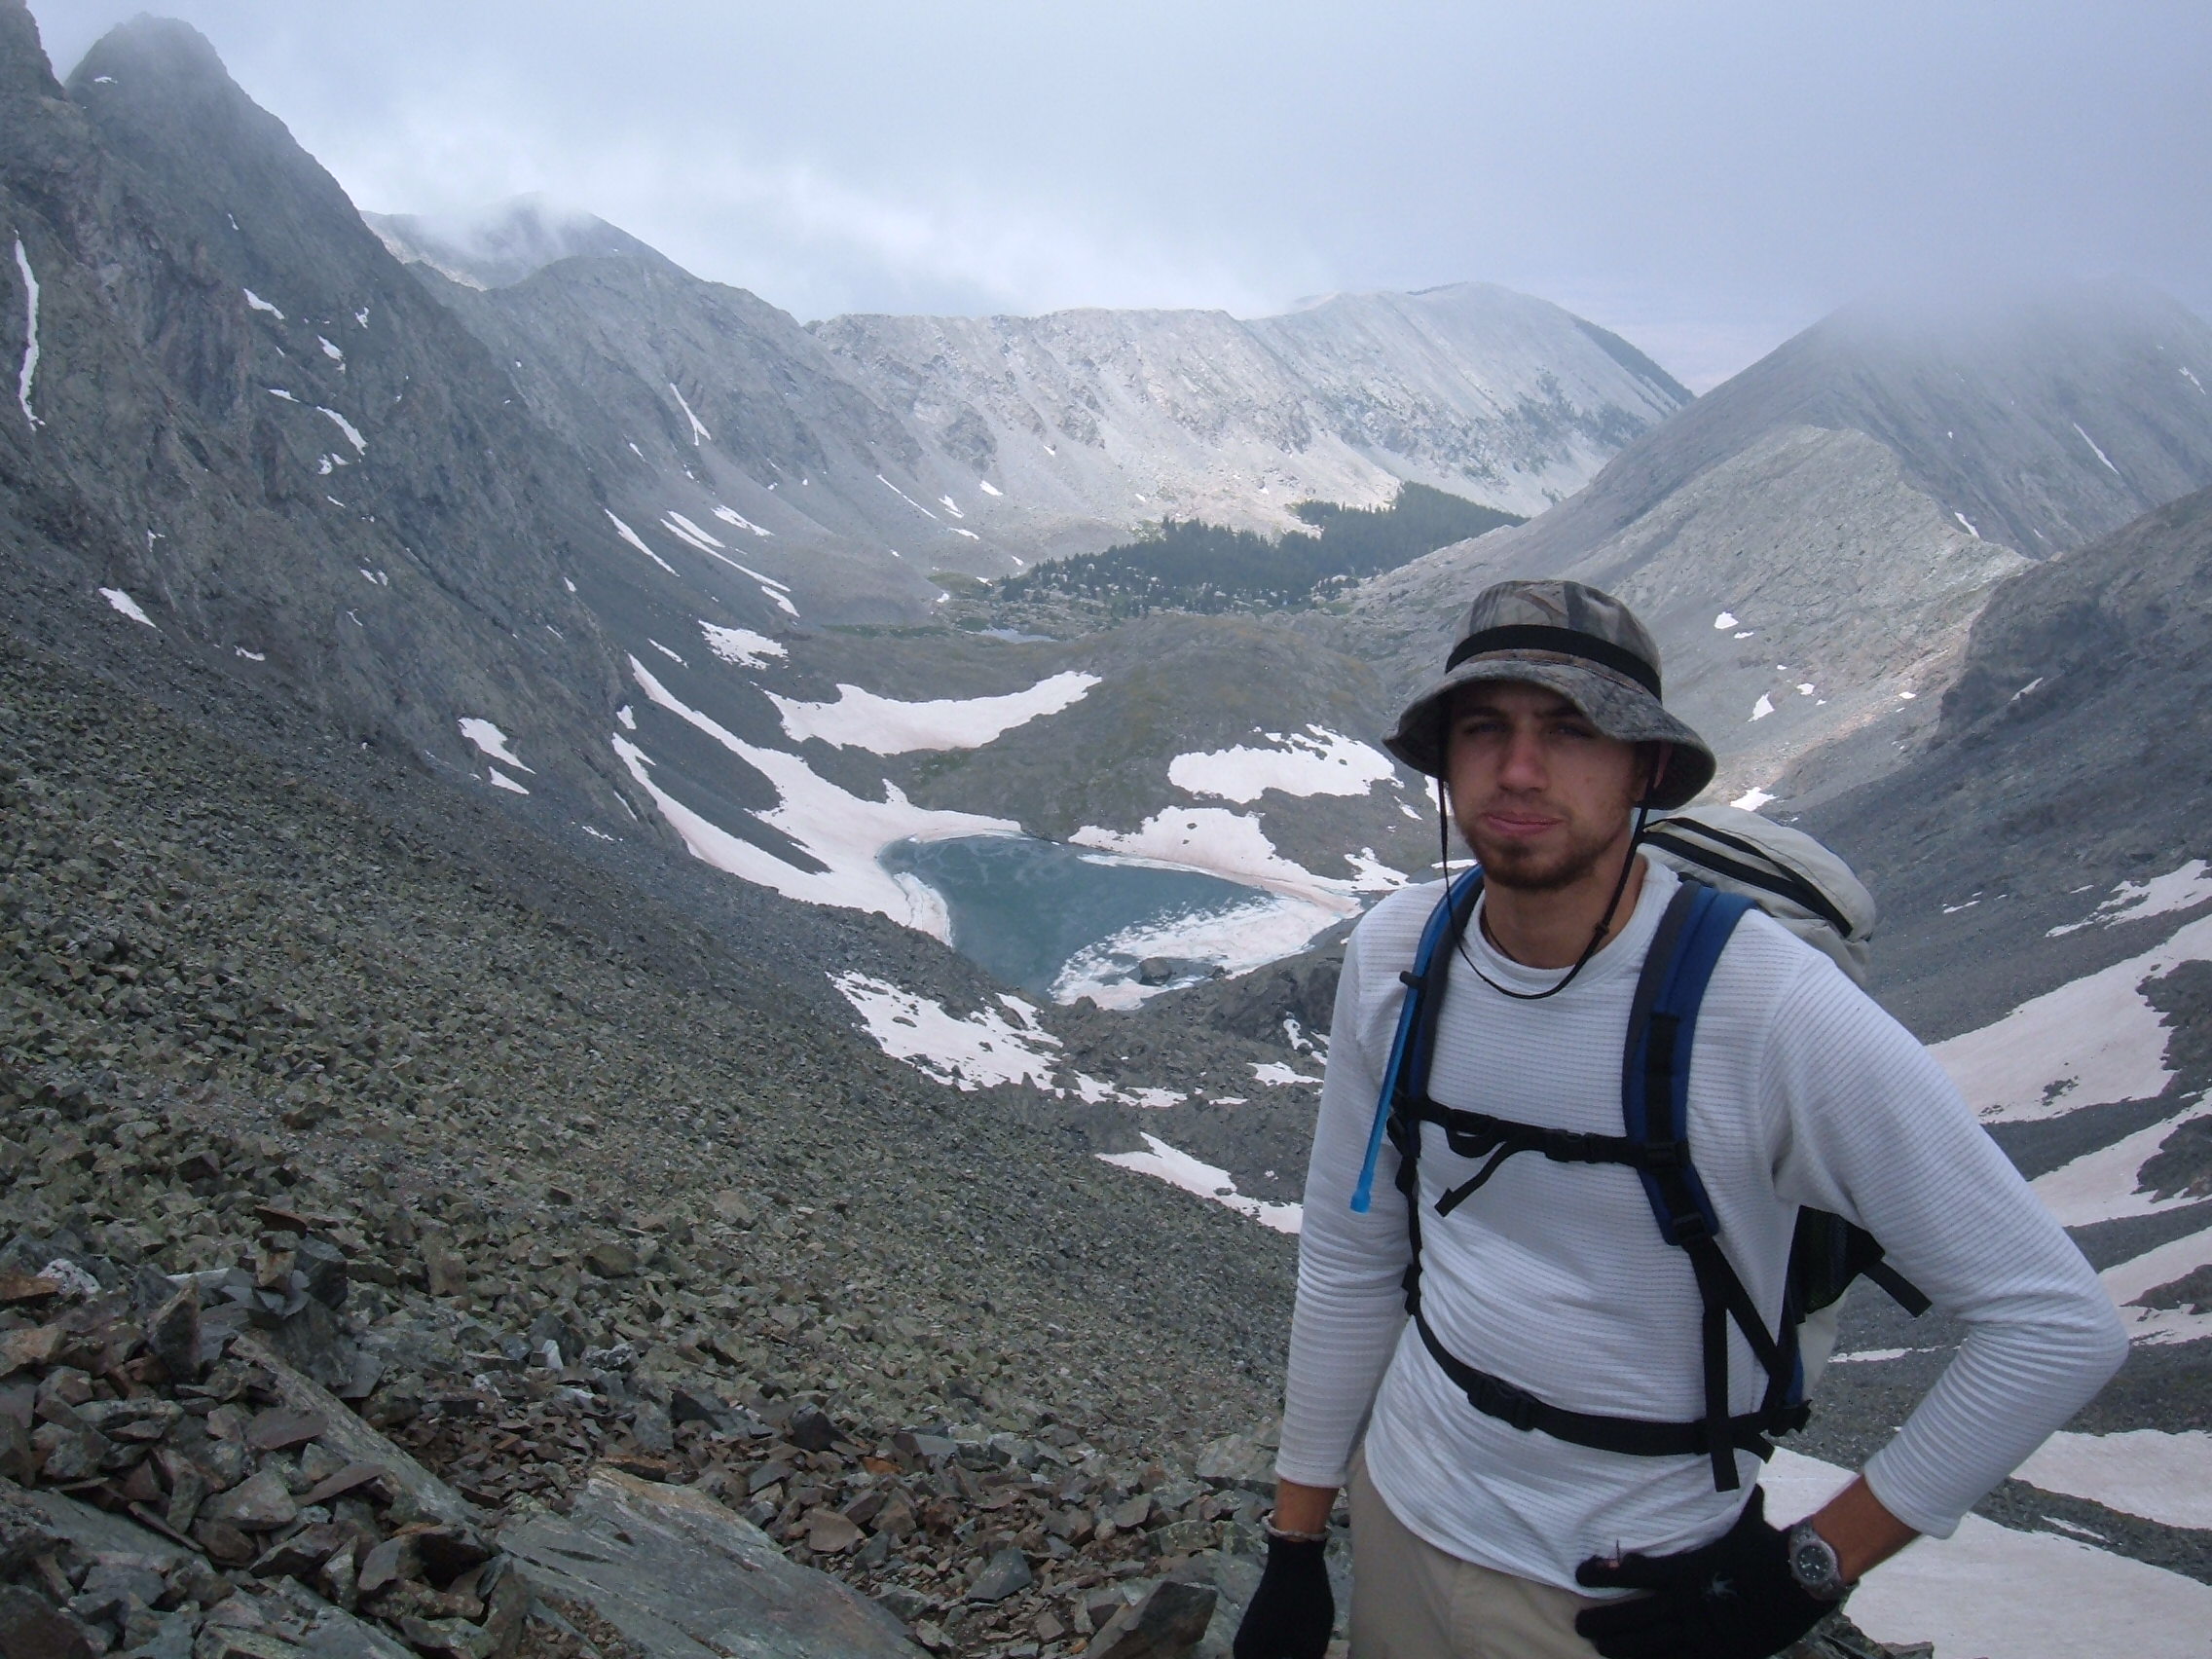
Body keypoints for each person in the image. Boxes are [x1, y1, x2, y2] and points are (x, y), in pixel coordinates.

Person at [1232, 580, 2128, 1659]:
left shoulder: (1769, 1007)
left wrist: (1801, 1573)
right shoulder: (1396, 953)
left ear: (1646, 770)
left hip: (1626, 1597)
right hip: (1402, 1516)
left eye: (1572, 731)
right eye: (1484, 729)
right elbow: (1351, 1254)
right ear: (1445, 760)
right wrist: (1295, 1542)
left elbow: (2056, 1324)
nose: (1519, 769)